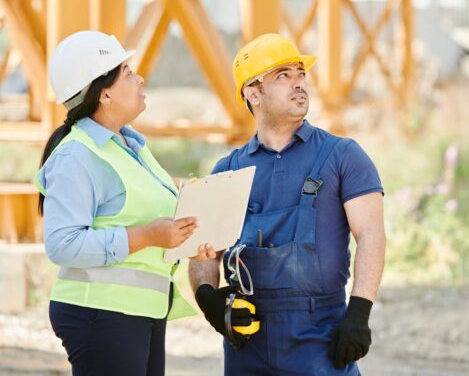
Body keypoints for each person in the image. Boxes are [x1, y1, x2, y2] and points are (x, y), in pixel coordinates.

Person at [189, 33, 386, 375]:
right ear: (253, 93)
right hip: (248, 339)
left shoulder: (342, 156)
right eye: (283, 76)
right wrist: (208, 298)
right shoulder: (227, 171)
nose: (299, 85)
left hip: (322, 334)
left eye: (300, 75)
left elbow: (371, 234)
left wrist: (359, 312)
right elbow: (202, 250)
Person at [35, 30, 216, 376]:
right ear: (104, 93)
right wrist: (146, 236)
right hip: (100, 314)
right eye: (128, 72)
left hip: (139, 312)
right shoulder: (77, 155)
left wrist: (184, 240)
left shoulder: (132, 147)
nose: (140, 78)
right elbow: (62, 244)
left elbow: (144, 222)